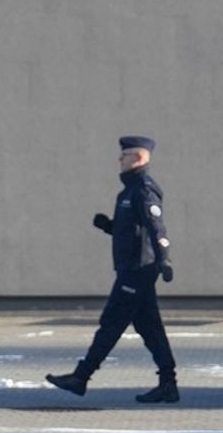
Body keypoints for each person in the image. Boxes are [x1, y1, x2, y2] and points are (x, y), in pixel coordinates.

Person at [46, 136, 178, 403]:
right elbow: (133, 230)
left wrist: (164, 258)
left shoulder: (143, 189)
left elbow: (155, 226)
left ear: (139, 158)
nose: (120, 160)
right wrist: (109, 226)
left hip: (137, 271)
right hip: (131, 269)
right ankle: (168, 383)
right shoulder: (128, 192)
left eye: (125, 155)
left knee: (112, 322)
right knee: (150, 327)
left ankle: (81, 377)